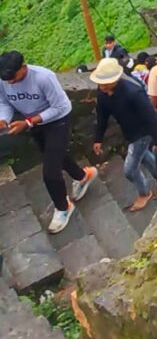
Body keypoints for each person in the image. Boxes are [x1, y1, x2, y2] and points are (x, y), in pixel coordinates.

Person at [0, 50, 97, 233]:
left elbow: (60, 107)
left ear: (23, 67)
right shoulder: (4, 81)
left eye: (13, 77)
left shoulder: (43, 78)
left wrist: (29, 122)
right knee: (53, 154)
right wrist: (3, 119)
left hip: (57, 121)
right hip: (34, 124)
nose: (10, 82)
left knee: (50, 172)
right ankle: (83, 176)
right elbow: (3, 102)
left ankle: (63, 207)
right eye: (6, 79)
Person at [91, 58, 157, 210]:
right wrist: (98, 138)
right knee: (143, 156)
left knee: (130, 170)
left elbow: (150, 115)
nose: (102, 86)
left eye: (106, 82)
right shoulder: (103, 92)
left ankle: (144, 193)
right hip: (129, 131)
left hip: (142, 133)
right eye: (101, 83)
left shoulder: (133, 92)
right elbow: (102, 115)